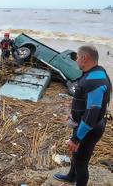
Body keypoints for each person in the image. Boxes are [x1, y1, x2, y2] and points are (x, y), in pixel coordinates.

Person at [54, 46, 112, 186]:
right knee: (76, 153)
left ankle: (77, 180)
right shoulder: (97, 72)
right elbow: (88, 102)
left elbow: (92, 113)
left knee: (81, 162)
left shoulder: (94, 82)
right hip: (84, 124)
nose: (76, 60)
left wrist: (76, 138)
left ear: (84, 58)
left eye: (77, 57)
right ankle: (71, 176)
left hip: (90, 128)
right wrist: (74, 113)